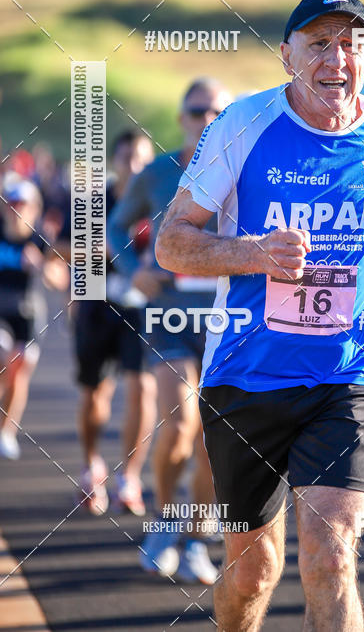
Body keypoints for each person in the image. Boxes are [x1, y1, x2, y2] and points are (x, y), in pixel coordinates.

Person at [155, 0, 364, 632]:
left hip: (348, 374)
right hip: (245, 375)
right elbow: (173, 243)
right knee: (252, 571)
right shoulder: (241, 126)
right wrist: (254, 253)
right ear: (287, 57)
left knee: (330, 553)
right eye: (318, 44)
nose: (336, 58)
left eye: (351, 44)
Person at [108, 77, 231, 584]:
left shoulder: (245, 170)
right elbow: (115, 225)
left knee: (212, 441)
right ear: (181, 119)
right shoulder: (158, 174)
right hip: (171, 317)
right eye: (197, 111)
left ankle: (199, 534)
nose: (207, 120)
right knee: (179, 425)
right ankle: (164, 520)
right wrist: (131, 269)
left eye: (217, 112)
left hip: (230, 320)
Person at [73, 130, 156, 517]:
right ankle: (92, 465)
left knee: (143, 387)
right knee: (96, 394)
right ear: (115, 162)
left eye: (141, 158)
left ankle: (131, 478)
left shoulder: (159, 201)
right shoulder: (95, 201)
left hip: (141, 309)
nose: (134, 166)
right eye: (126, 158)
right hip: (97, 302)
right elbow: (59, 246)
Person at [0, 175, 69, 459]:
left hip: (27, 314)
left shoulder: (40, 239)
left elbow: (61, 279)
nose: (17, 210)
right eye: (12, 204)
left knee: (20, 366)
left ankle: (6, 431)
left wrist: (41, 265)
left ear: (34, 209)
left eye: (23, 205)